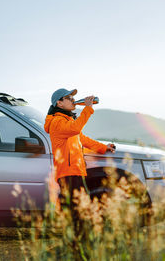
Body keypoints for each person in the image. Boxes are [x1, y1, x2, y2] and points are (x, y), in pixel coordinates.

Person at [44, 88, 115, 239]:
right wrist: (88, 108)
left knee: (79, 209)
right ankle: (75, 242)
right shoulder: (57, 122)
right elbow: (76, 129)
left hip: (76, 171)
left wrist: (104, 147)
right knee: (74, 211)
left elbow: (83, 139)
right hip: (67, 172)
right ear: (60, 103)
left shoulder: (68, 121)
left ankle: (79, 240)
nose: (72, 100)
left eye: (72, 97)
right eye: (69, 97)